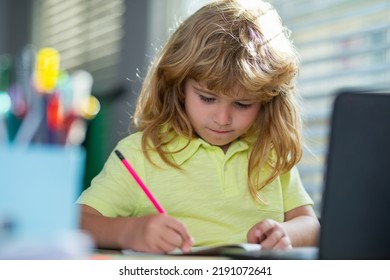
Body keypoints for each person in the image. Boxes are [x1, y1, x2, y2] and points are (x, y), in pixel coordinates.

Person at [77, 0, 320, 254]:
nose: (223, 118)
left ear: (266, 100)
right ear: (179, 86)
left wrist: (286, 234)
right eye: (207, 98)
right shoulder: (141, 154)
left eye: (242, 104)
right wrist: (130, 232)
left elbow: (310, 226)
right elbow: (78, 221)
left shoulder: (270, 155)